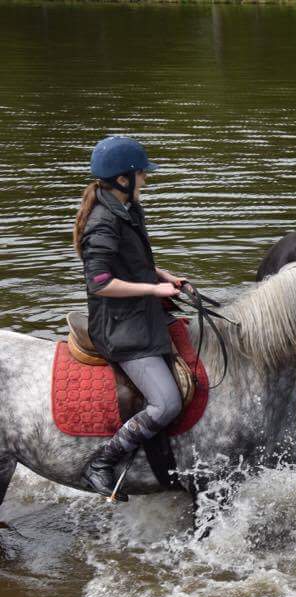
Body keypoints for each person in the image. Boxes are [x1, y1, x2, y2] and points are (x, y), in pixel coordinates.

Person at [73, 135, 187, 501]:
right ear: (123, 178)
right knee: (166, 403)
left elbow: (134, 264)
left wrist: (163, 276)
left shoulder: (127, 208)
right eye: (141, 173)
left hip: (141, 314)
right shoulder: (102, 222)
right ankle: (101, 463)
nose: (146, 178)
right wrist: (154, 290)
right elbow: (100, 283)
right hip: (120, 328)